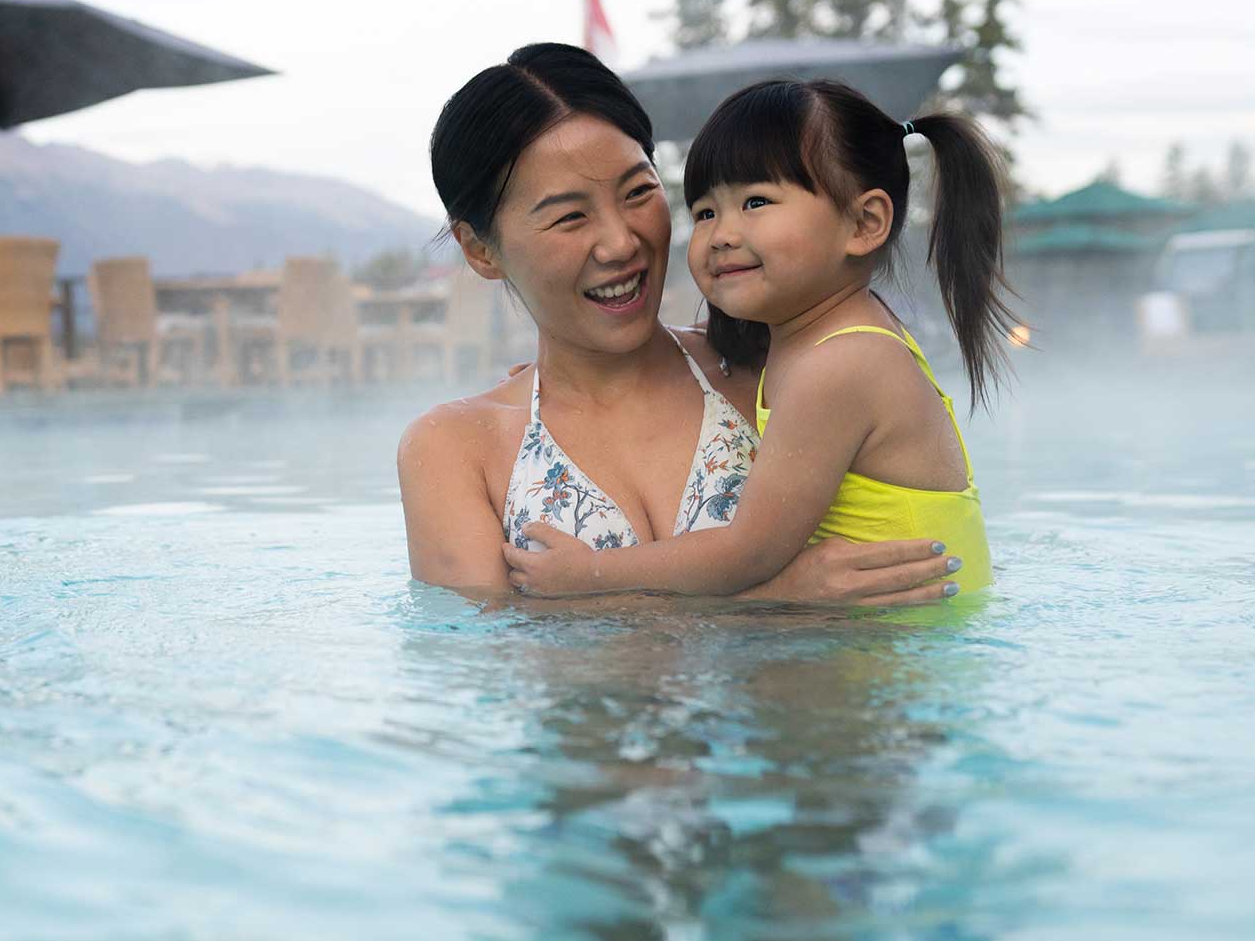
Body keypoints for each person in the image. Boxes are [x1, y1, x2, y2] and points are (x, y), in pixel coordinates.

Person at [398, 45, 965, 605]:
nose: (622, 243)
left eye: (639, 192)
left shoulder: (776, 374)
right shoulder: (456, 448)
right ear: (480, 251)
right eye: (570, 217)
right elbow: (479, 661)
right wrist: (778, 602)